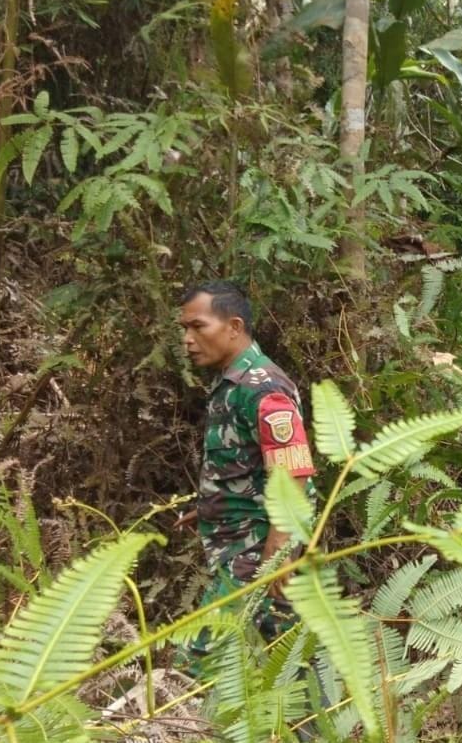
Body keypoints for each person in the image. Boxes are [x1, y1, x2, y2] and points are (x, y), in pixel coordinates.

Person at [175, 281, 316, 670]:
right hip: (243, 540)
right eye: (184, 329)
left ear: (234, 326)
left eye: (198, 327)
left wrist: (278, 551)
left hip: (257, 549)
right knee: (290, 655)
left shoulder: (263, 387)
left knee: (195, 658)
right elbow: (246, 464)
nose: (187, 339)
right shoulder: (232, 383)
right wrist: (210, 506)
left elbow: (293, 472)